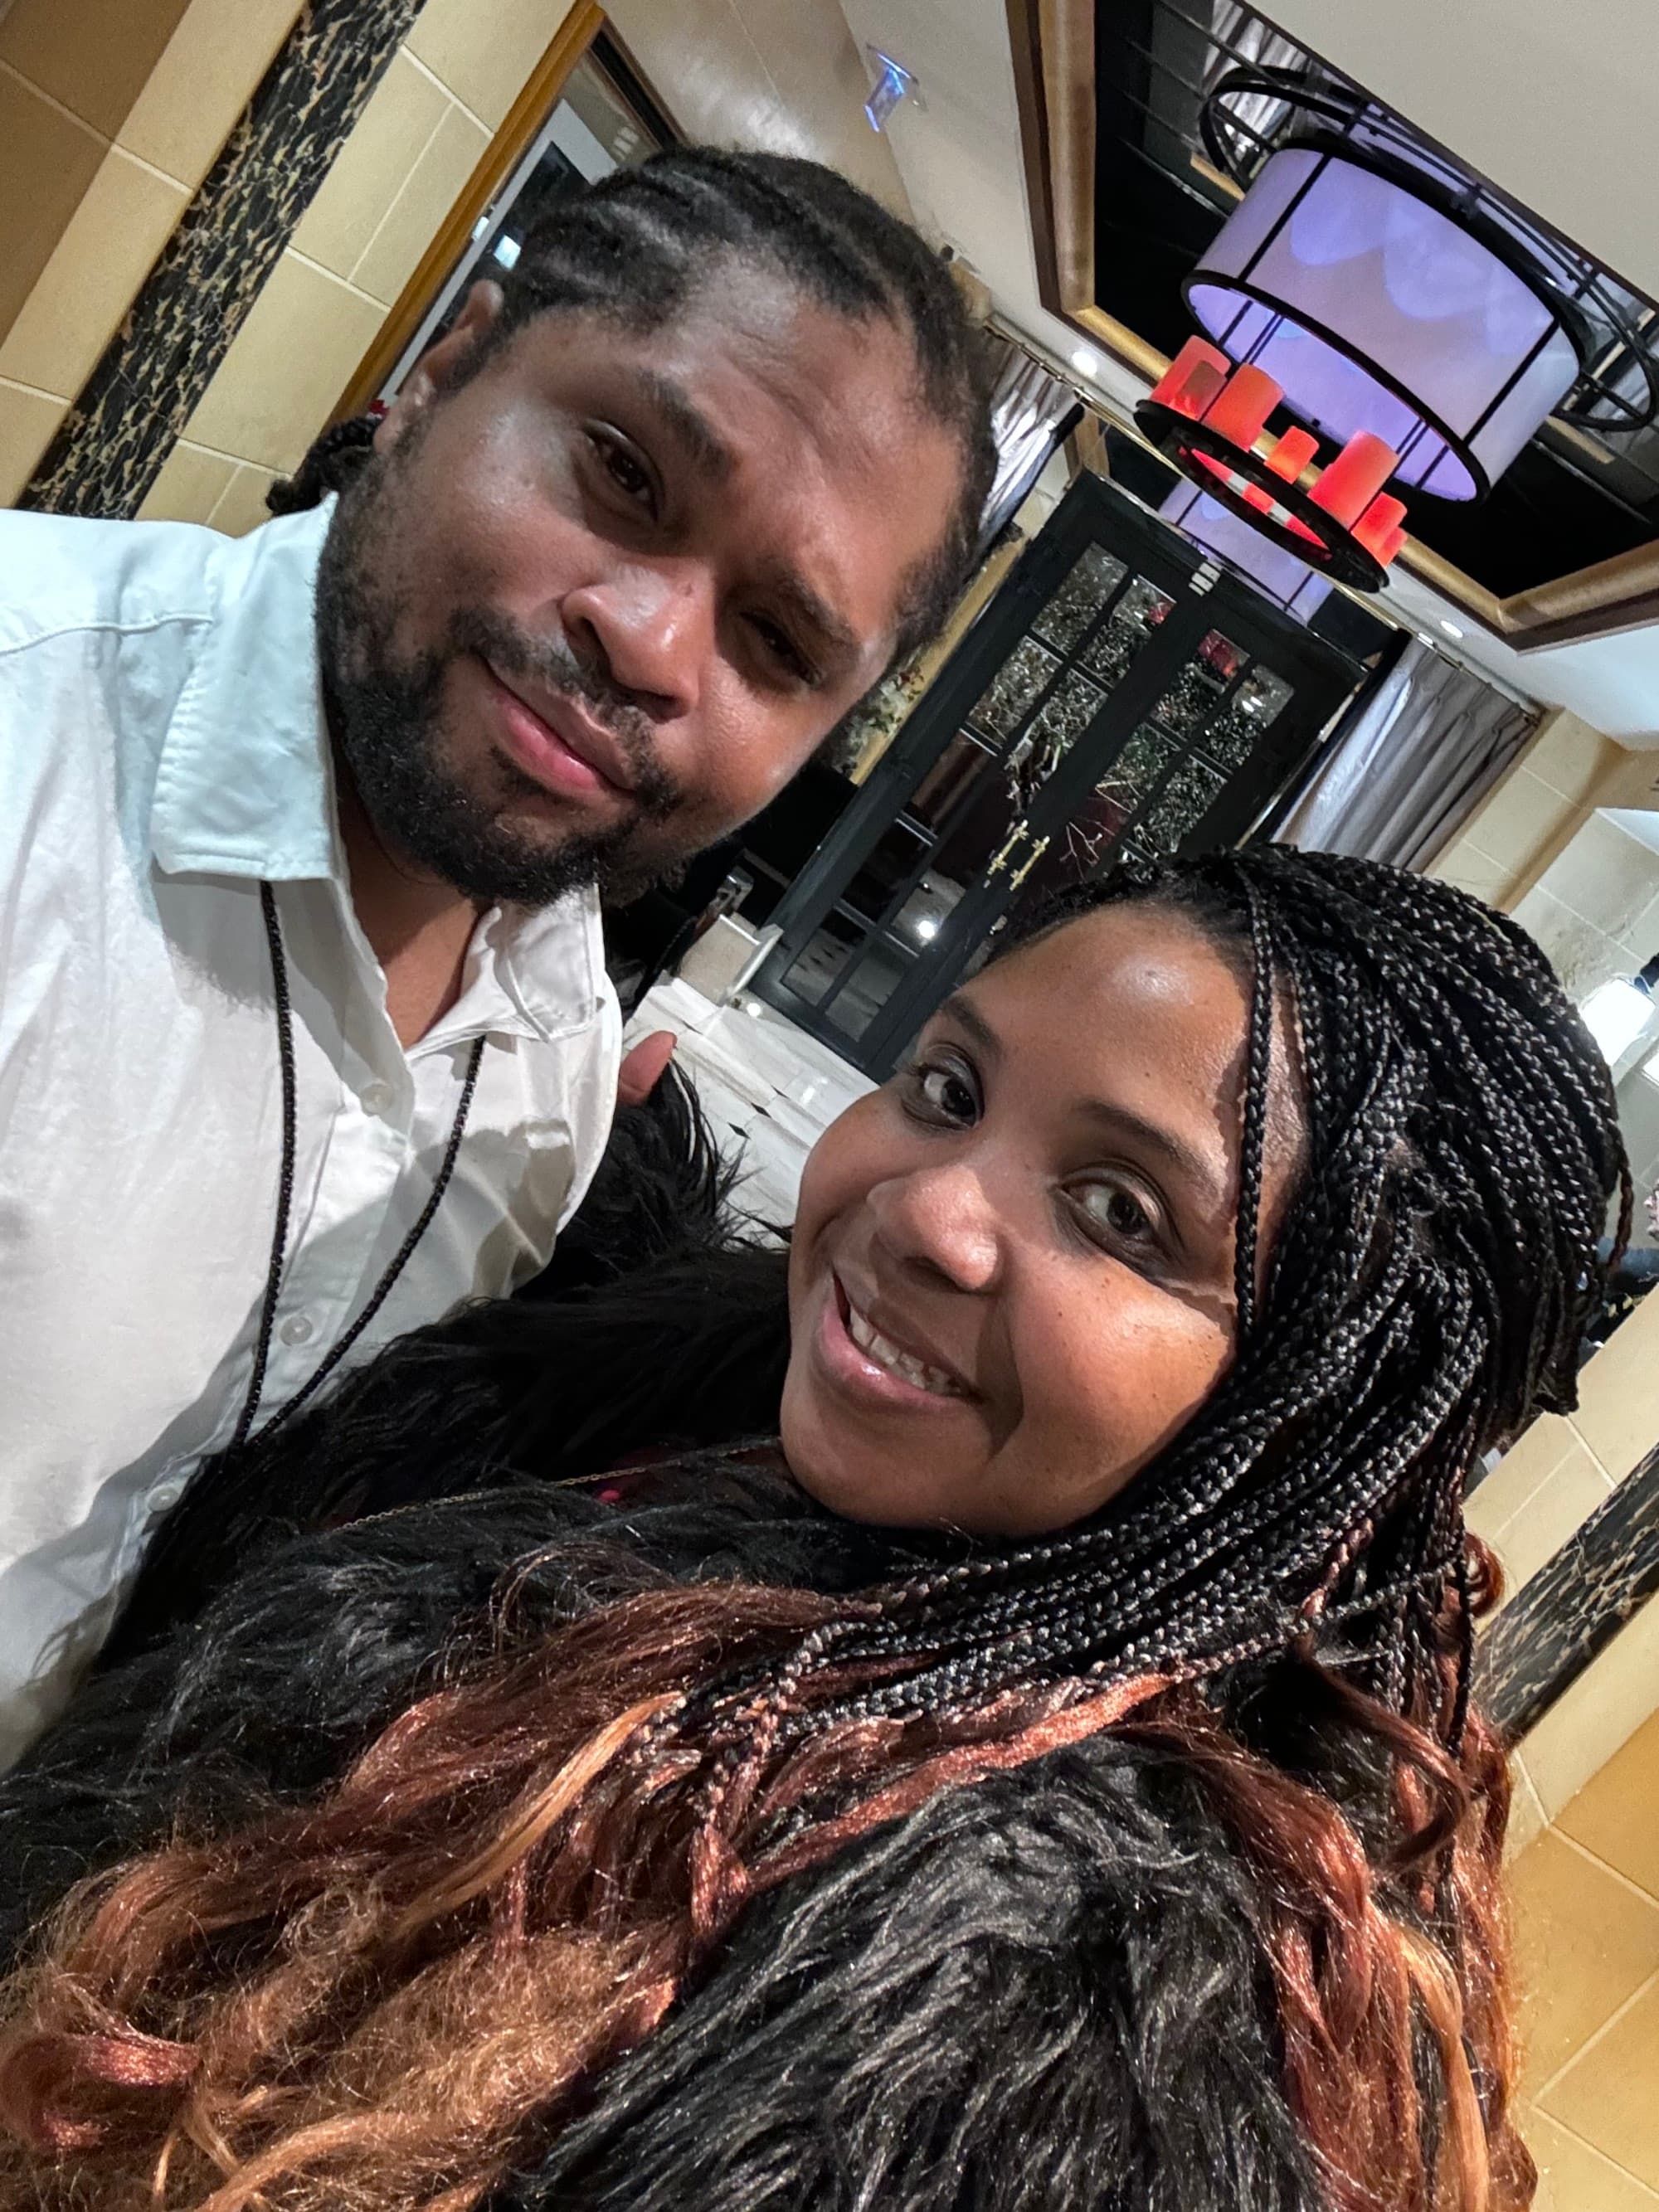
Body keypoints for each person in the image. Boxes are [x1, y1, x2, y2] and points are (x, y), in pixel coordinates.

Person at [0, 848, 1627, 2212]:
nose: (923, 1201)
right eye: (947, 1086)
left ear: (1320, 1414)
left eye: (1119, 1210)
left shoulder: (1023, 1992)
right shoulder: (798, 1446)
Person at [0, 148, 995, 1758]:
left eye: (775, 642)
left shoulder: (553, 1073)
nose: (653, 641)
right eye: (621, 471)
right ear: (447, 369)